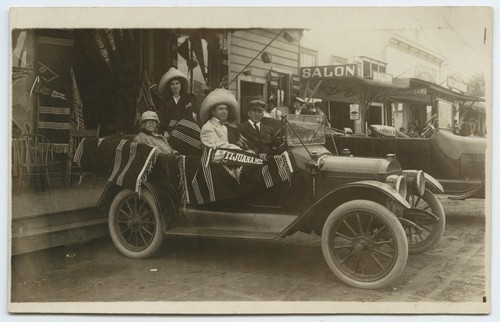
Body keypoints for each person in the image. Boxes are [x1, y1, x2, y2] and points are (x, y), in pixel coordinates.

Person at [157, 67, 198, 135]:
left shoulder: (189, 98)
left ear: (181, 85)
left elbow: (193, 116)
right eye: (172, 84)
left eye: (177, 83)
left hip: (186, 131)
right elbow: (162, 119)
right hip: (170, 133)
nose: (175, 86)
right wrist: (165, 131)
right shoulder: (165, 101)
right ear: (169, 87)